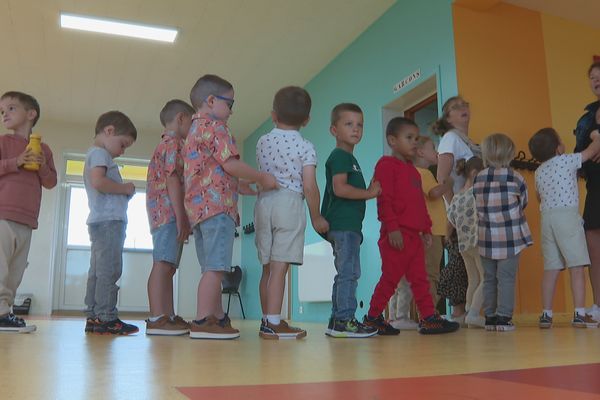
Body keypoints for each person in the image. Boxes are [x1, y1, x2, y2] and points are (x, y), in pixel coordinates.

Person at [184, 74, 277, 340]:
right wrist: (261, 177)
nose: (232, 111)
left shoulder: (194, 132)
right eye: (230, 103)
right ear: (211, 101)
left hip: (200, 212)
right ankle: (203, 321)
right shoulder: (217, 128)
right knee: (216, 268)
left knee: (211, 266)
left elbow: (212, 173)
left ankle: (216, 317)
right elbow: (230, 165)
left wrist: (243, 188)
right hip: (217, 211)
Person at [363, 117, 459, 335]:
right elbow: (384, 199)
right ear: (392, 140)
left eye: (416, 138)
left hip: (416, 236)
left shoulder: (413, 172)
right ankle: (372, 318)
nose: (414, 142)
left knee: (420, 279)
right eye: (409, 138)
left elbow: (419, 205)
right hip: (395, 235)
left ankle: (428, 318)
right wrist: (393, 228)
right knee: (391, 278)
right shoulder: (386, 165)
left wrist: (426, 229)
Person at [255, 86, 328, 340]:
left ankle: (266, 318)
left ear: (273, 115)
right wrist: (316, 215)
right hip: (289, 203)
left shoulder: (263, 141)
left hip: (264, 204)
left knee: (267, 267)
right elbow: (309, 185)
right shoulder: (305, 146)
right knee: (280, 267)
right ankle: (274, 323)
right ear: (306, 120)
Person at [529, 127, 600, 328]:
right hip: (566, 217)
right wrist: (596, 136)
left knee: (551, 268)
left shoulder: (539, 171)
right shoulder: (567, 160)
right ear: (559, 148)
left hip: (547, 219)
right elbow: (592, 152)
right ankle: (578, 313)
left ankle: (546, 314)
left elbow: (539, 197)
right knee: (577, 267)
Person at [320, 103, 379, 338]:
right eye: (349, 124)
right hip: (344, 226)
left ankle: (337, 320)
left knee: (346, 272)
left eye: (360, 125)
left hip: (349, 227)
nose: (356, 129)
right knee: (349, 273)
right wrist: (369, 193)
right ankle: (345, 319)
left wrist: (368, 188)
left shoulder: (350, 159)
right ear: (334, 130)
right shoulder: (341, 156)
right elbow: (340, 189)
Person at [0, 91, 57, 333]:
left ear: (30, 114)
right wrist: (17, 161)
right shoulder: (3, 142)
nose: (5, 114)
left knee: (15, 271)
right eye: (2, 111)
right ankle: (1, 312)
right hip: (3, 214)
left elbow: (51, 181)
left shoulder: (44, 148)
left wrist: (41, 165)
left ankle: (5, 311)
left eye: (11, 108)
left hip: (27, 220)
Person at [83, 111, 139, 335]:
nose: (122, 151)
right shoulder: (100, 154)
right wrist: (125, 188)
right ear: (109, 131)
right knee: (110, 269)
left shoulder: (95, 154)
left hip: (100, 222)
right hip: (109, 223)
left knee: (97, 271)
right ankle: (106, 317)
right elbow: (99, 182)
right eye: (123, 144)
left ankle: (94, 315)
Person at [389, 136, 452, 330]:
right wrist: (447, 184)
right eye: (433, 148)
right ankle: (429, 315)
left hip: (421, 232)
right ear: (421, 152)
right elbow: (433, 194)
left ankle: (397, 316)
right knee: (430, 274)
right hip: (430, 233)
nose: (437, 153)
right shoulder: (423, 173)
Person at [145, 100, 195, 335]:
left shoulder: (166, 145)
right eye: (192, 123)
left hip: (164, 213)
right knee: (163, 264)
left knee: (169, 267)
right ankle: (157, 317)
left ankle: (168, 315)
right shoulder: (173, 144)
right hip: (168, 214)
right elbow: (173, 179)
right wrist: (181, 215)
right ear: (181, 118)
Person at [473, 133, 532, 332]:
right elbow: (523, 202)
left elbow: (476, 203)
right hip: (510, 238)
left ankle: (490, 317)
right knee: (506, 278)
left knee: (489, 278)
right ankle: (504, 318)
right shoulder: (516, 178)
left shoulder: (479, 178)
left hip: (486, 237)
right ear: (510, 153)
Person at [433, 96, 479, 323]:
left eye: (465, 104)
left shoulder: (466, 140)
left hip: (470, 210)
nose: (463, 108)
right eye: (456, 107)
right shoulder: (450, 138)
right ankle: (459, 312)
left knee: (467, 259)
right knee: (461, 259)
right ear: (448, 117)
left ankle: (467, 310)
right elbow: (442, 178)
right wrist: (453, 210)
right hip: (461, 211)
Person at [574, 61, 600, 321]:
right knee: (595, 251)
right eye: (592, 77)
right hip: (595, 189)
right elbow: (577, 154)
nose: (596, 80)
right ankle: (599, 306)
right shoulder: (586, 118)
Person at [447, 157, 485, 328]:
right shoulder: (478, 192)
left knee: (473, 279)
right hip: (478, 241)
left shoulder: (457, 197)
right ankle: (474, 313)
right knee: (487, 278)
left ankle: (468, 313)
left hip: (463, 245)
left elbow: (452, 221)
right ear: (475, 173)